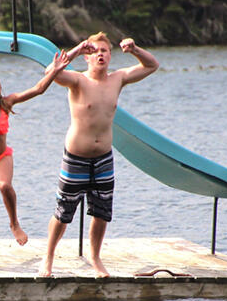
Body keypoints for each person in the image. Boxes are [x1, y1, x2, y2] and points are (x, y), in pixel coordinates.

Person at [39, 32, 159, 277]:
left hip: (104, 158)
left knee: (101, 212)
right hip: (76, 157)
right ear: (87, 58)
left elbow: (152, 65)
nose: (100, 55)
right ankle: (48, 258)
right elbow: (50, 73)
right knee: (63, 213)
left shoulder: (118, 79)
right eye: (95, 52)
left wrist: (135, 49)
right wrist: (75, 50)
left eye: (104, 51)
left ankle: (95, 258)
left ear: (110, 55)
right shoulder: (77, 81)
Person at [0, 52, 70, 272]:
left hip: (2, 157)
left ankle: (14, 224)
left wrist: (56, 70)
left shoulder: (6, 104)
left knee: (4, 185)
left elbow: (37, 89)